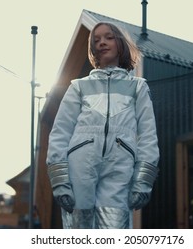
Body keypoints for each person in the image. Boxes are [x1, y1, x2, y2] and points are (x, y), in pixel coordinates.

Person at [46, 22, 160, 229]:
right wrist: (60, 179)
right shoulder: (78, 86)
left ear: (120, 43)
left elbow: (148, 135)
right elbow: (60, 132)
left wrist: (143, 180)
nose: (102, 43)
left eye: (108, 37)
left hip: (120, 170)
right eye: (96, 40)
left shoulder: (138, 87)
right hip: (79, 169)